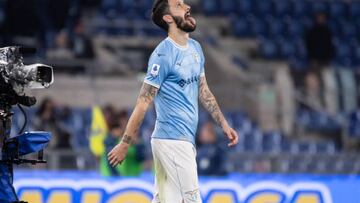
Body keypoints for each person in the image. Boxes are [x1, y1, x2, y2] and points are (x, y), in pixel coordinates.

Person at [107, 0, 238, 202]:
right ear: (168, 18)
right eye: (179, 5)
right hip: (171, 141)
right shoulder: (162, 55)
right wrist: (125, 142)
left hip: (183, 140)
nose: (187, 7)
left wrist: (223, 123)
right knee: (192, 200)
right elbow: (143, 103)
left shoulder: (196, 48)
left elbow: (204, 91)